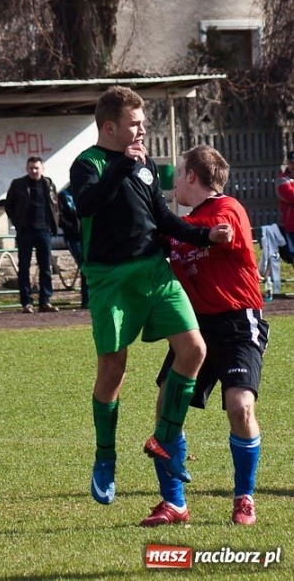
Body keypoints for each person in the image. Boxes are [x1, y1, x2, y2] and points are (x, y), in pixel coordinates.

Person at [69, 86, 232, 508]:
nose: (143, 129)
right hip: (111, 280)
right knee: (113, 370)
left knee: (194, 349)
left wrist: (204, 235)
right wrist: (122, 166)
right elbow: (87, 205)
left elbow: (161, 218)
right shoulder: (88, 163)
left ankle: (164, 438)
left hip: (155, 272)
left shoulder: (145, 166)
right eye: (135, 123)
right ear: (110, 127)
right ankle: (105, 458)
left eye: (143, 122)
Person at [141, 146, 267, 527]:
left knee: (240, 405)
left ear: (192, 176)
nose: (175, 182)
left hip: (236, 324)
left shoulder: (227, 208)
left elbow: (223, 232)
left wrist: (216, 235)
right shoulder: (183, 225)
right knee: (166, 405)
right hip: (194, 329)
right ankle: (174, 504)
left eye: (179, 174)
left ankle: (244, 498)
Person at [5, 156, 60, 313]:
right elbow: (9, 206)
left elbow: (56, 205)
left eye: (37, 168)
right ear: (26, 169)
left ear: (42, 169)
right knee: (24, 267)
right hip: (25, 231)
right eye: (31, 168)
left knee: (45, 267)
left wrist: (53, 223)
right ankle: (26, 302)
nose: (34, 171)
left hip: (44, 230)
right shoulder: (18, 184)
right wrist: (18, 222)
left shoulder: (48, 184)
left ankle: (45, 301)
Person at [58, 186, 88, 308]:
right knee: (84, 266)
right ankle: (86, 300)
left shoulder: (86, 190)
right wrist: (72, 228)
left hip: (88, 235)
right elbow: (58, 216)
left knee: (89, 266)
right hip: (73, 237)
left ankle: (90, 299)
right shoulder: (64, 195)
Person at [275, 150, 294, 258]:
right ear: (288, 163)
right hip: (292, 226)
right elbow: (291, 196)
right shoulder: (282, 180)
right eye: (292, 163)